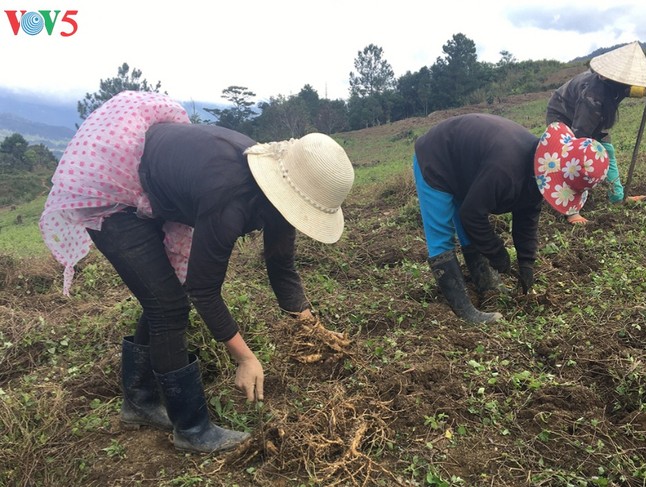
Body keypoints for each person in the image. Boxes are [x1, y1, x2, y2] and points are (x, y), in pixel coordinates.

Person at [39, 91, 355, 453]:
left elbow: (281, 267)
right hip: (113, 188)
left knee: (163, 297)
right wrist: (245, 358)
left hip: (164, 180)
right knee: (169, 307)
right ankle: (190, 428)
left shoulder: (277, 191)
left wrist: (312, 331)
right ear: (290, 191)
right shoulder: (230, 196)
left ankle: (139, 402)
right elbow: (203, 290)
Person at [413, 113, 609, 324]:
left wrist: (526, 264)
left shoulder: (537, 170)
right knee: (442, 236)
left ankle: (487, 284)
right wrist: (497, 252)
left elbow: (527, 218)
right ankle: (465, 310)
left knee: (470, 229)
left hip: (468, 167)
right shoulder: (505, 169)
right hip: (438, 158)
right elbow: (471, 215)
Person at [545, 41, 646, 224]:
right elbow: (578, 139)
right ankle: (571, 209)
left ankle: (617, 197)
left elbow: (621, 89)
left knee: (607, 151)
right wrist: (584, 150)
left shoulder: (614, 84)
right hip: (564, 114)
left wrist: (640, 91)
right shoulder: (592, 97)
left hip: (592, 115)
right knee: (574, 160)